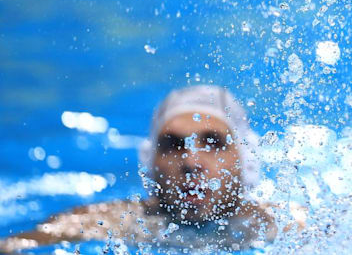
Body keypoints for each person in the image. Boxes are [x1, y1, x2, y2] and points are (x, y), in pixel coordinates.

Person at [1, 85, 278, 252]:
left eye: (213, 143)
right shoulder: (101, 224)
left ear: (246, 160)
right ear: (150, 163)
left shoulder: (282, 225)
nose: (192, 162)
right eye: (173, 145)